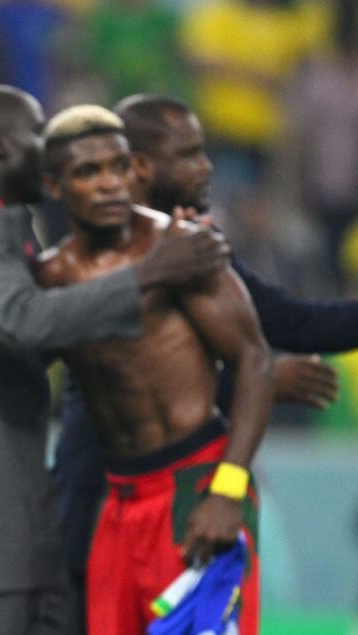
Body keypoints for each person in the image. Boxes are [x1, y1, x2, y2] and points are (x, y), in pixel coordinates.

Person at [0, 84, 230, 635]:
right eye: (39, 134)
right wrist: (152, 271)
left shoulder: (1, 222)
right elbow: (30, 321)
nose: (49, 150)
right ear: (1, 145)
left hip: (22, 518)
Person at [52, 94, 358, 632]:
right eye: (191, 154)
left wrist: (232, 469)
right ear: (143, 166)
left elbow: (277, 335)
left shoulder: (194, 249)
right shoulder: (70, 264)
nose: (207, 166)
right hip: (99, 497)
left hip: (187, 483)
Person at [37, 105, 274, 634]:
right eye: (88, 172)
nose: (110, 185)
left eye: (119, 167)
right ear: (55, 186)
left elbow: (254, 359)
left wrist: (228, 490)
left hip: (199, 484)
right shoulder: (52, 275)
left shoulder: (183, 248)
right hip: (119, 498)